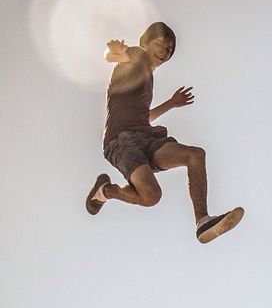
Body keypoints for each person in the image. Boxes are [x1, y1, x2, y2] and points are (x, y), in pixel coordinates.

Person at [85, 22, 243, 244]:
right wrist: (113, 52)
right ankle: (105, 192)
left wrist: (171, 103)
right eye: (160, 45)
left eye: (169, 50)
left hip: (146, 137)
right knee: (151, 196)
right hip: (120, 141)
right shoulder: (137, 56)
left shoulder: (146, 78)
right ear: (146, 43)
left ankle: (202, 221)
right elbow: (113, 56)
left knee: (195, 155)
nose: (164, 52)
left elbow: (144, 117)